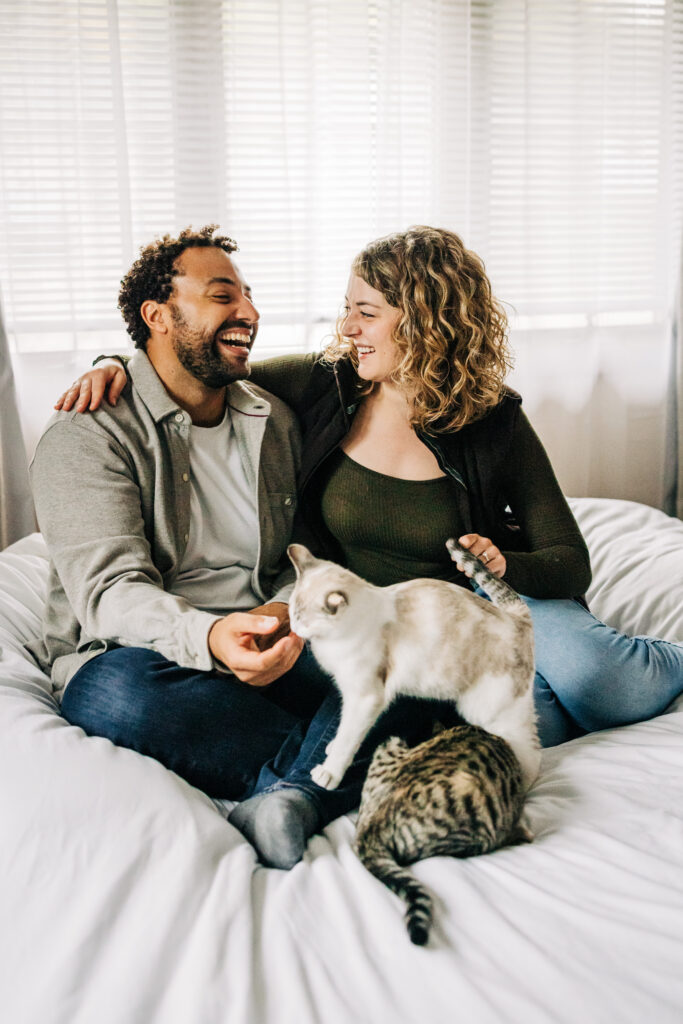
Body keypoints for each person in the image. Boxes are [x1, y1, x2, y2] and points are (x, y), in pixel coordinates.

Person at [62, 225, 683, 749]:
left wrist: (503, 565)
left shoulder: (493, 420)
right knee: (489, 717)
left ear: (425, 321)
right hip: (394, 630)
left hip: (492, 607)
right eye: (347, 309)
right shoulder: (323, 386)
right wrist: (113, 366)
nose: (348, 327)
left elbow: (570, 563)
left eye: (366, 312)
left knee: (605, 680)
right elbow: (196, 370)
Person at [31, 225, 379, 872]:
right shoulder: (89, 432)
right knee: (110, 697)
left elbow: (293, 555)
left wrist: (280, 612)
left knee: (393, 656)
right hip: (148, 658)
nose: (247, 312)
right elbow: (110, 595)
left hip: (273, 639)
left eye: (248, 296)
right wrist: (213, 639)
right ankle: (353, 769)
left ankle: (293, 796)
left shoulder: (271, 418)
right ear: (158, 317)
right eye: (223, 295)